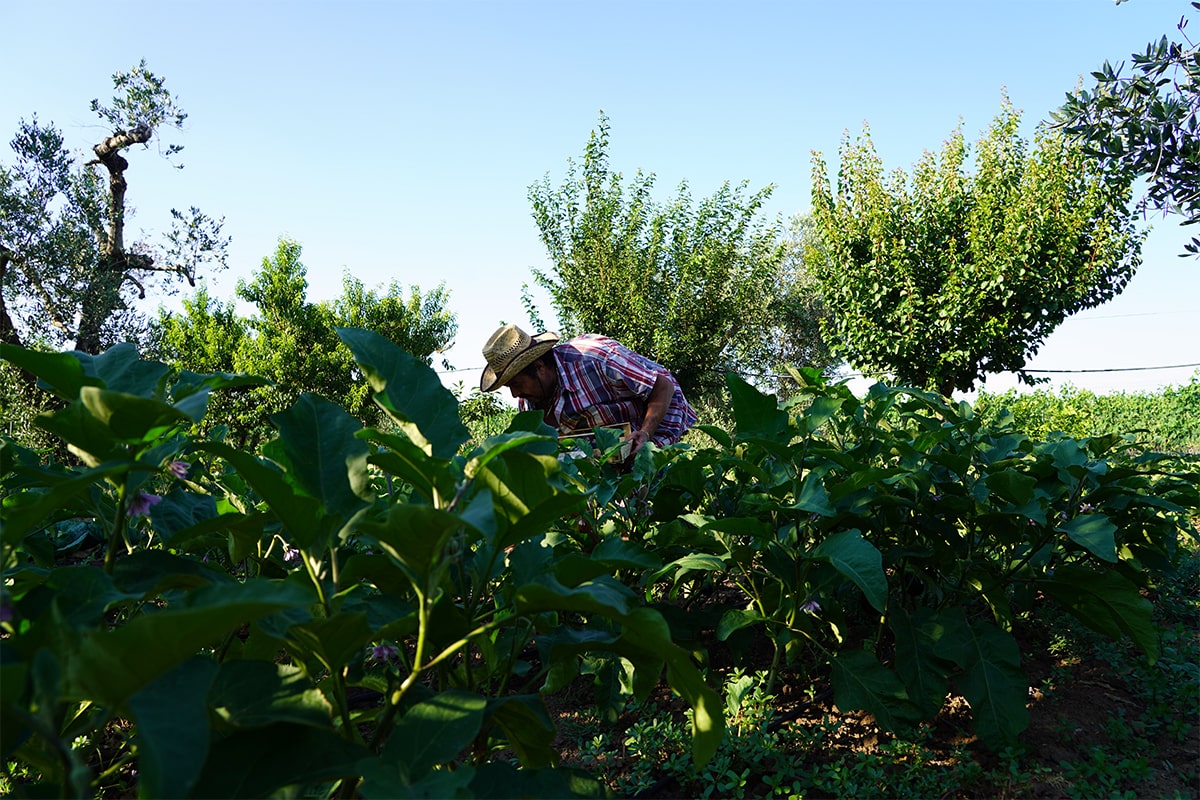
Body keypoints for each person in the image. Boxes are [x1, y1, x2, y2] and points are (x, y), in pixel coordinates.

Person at [480, 324, 696, 454]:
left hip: (656, 418)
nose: (515, 394)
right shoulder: (529, 403)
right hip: (609, 439)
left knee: (643, 489)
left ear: (539, 367)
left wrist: (646, 434)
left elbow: (662, 386)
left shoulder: (596, 359)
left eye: (516, 384)